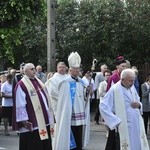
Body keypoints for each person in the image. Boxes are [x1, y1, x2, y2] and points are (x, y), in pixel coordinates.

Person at [100, 68, 149, 150]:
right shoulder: (114, 89)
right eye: (130, 81)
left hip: (135, 123)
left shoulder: (132, 87)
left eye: (133, 80)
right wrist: (115, 120)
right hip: (123, 124)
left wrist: (139, 105)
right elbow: (103, 106)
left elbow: (138, 100)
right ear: (122, 79)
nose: (132, 83)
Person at [13, 63, 54, 150]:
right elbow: (20, 104)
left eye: (34, 68)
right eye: (32, 69)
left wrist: (49, 114)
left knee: (44, 145)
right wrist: (24, 121)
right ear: (25, 71)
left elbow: (44, 98)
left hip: (43, 120)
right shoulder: (22, 85)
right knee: (33, 145)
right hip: (32, 122)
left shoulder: (38, 82)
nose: (34, 70)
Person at [54, 52, 88, 150]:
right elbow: (64, 101)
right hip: (70, 115)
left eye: (79, 69)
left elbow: (84, 97)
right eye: (76, 69)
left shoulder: (81, 81)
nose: (78, 71)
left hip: (80, 113)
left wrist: (87, 92)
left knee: (79, 135)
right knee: (71, 135)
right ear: (70, 70)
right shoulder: (65, 83)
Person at [98, 69, 112, 137]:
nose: (108, 76)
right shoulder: (102, 83)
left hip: (111, 103)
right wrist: (109, 94)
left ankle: (111, 130)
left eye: (109, 75)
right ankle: (107, 131)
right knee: (105, 118)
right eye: (106, 75)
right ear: (104, 76)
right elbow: (101, 93)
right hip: (104, 103)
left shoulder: (113, 83)